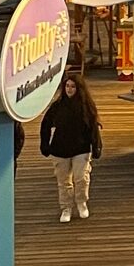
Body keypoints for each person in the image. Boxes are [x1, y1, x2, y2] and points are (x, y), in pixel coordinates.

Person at [39, 73, 102, 223]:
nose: (69, 89)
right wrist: (45, 144)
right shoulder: (58, 106)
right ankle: (66, 207)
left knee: (81, 178)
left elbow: (93, 127)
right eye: (67, 86)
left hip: (81, 148)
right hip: (60, 148)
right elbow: (45, 125)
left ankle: (81, 202)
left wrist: (97, 146)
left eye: (73, 86)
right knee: (63, 181)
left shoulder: (86, 107)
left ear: (78, 88)